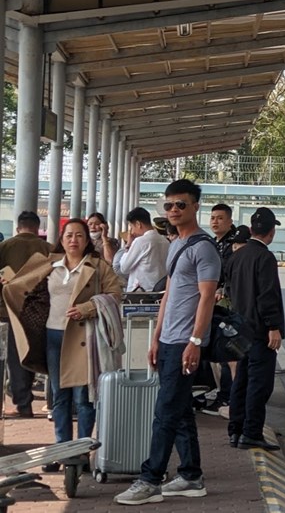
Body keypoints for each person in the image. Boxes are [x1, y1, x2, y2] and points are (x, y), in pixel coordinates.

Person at [114, 179, 221, 505]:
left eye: (181, 205)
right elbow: (169, 294)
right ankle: (190, 475)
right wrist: (156, 337)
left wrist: (195, 341)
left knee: (164, 413)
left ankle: (150, 478)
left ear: (195, 206)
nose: (173, 210)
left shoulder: (204, 248)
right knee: (179, 409)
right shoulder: (175, 244)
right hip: (169, 339)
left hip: (185, 341)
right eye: (169, 205)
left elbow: (207, 299)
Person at [3, 218, 122, 467]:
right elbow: (25, 286)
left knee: (83, 397)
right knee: (59, 396)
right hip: (53, 336)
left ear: (87, 240)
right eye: (68, 235)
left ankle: (81, 451)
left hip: (82, 337)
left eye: (79, 235)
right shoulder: (49, 264)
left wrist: (89, 307)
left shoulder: (98, 267)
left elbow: (115, 294)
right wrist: (10, 284)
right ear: (61, 238)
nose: (73, 240)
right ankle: (60, 449)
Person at [224, 208, 285, 450]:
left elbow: (228, 290)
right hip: (260, 332)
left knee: (241, 381)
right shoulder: (265, 258)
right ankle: (251, 432)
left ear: (250, 230)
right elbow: (267, 296)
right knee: (260, 384)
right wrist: (273, 327)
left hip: (240, 329)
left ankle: (235, 430)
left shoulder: (236, 256)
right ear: (271, 232)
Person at [0, 211, 53, 418]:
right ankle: (30, 401)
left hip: (8, 309)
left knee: (12, 356)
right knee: (29, 355)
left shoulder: (5, 247)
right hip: (39, 311)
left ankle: (21, 402)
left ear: (18, 227)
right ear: (37, 227)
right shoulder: (47, 248)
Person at [203, 203, 237, 416]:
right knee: (218, 354)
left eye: (220, 218)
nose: (215, 221)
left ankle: (227, 397)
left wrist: (222, 289)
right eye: (213, 218)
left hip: (229, 306)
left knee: (228, 354)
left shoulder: (233, 244)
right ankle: (222, 394)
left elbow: (230, 275)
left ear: (230, 221)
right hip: (214, 304)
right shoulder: (214, 243)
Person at [114, 207, 171, 292]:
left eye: (132, 227)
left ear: (138, 224)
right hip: (161, 291)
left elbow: (124, 268)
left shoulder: (141, 241)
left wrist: (128, 245)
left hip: (142, 293)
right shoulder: (165, 241)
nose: (132, 232)